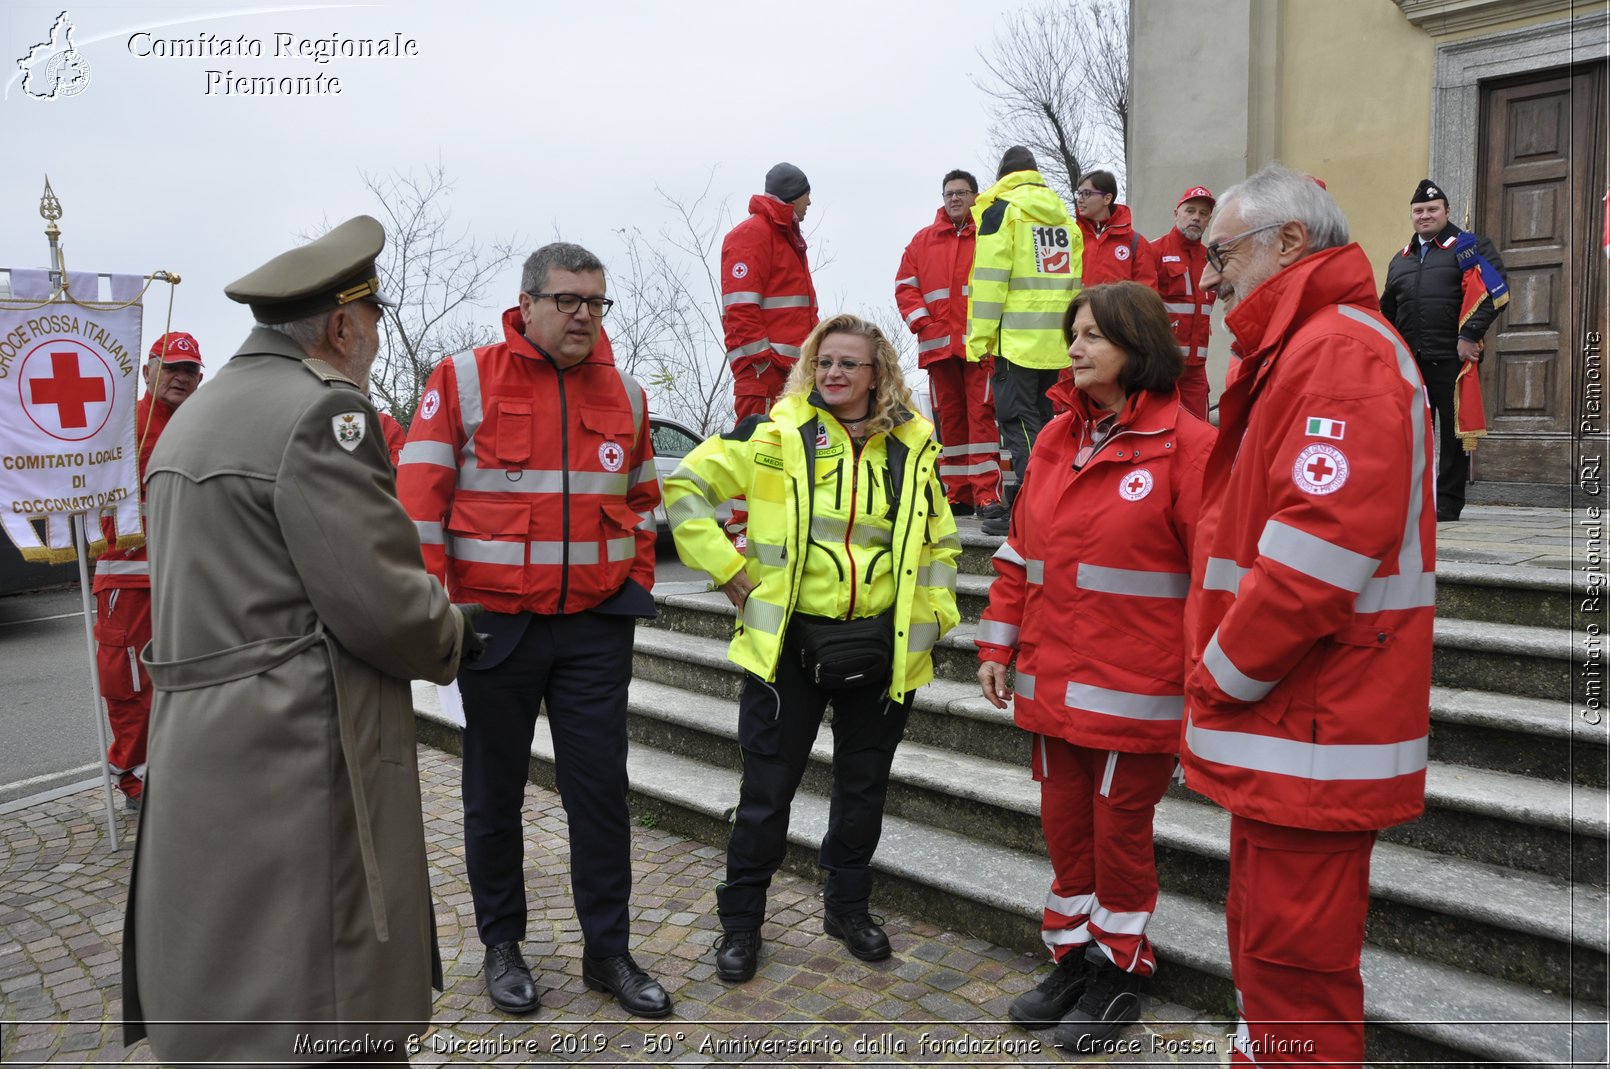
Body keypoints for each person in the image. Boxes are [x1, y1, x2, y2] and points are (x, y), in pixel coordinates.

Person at [123, 216, 476, 1066]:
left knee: (224, 971)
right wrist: (455, 631)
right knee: (325, 983)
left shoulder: (196, 416)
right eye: (374, 323)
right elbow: (384, 605)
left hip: (200, 742)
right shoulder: (322, 416)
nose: (375, 343)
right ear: (342, 326)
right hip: (296, 743)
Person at [1187, 165, 1436, 1064]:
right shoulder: (1308, 347)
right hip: (1294, 721)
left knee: (1295, 971)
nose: (1208, 279)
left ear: (1289, 240)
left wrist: (1219, 670)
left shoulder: (1339, 351)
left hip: (1311, 716)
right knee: (1270, 955)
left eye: (1221, 254)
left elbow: (1317, 557)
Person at [396, 242, 671, 1019]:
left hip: (592, 631)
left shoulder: (628, 393)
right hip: (495, 628)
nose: (585, 314)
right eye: (568, 300)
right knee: (493, 794)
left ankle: (608, 952)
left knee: (601, 795)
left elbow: (644, 502)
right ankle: (502, 944)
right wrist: (437, 617)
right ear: (527, 302)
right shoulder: (464, 378)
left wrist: (634, 584)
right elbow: (417, 506)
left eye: (596, 301)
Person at [663, 313, 961, 984]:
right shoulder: (774, 436)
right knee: (766, 796)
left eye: (849, 363)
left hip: (884, 650)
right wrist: (727, 569)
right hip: (787, 647)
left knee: (862, 793)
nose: (832, 373)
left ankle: (847, 907)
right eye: (824, 361)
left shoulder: (913, 449)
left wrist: (934, 616)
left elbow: (941, 543)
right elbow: (683, 485)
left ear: (877, 373)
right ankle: (740, 924)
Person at [977, 283, 1214, 1049]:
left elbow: (1211, 581)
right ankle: (1075, 956)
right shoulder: (1053, 440)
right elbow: (1020, 554)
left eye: (1091, 336)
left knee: (1119, 836)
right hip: (1050, 681)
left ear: (1136, 346)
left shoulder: (1189, 446)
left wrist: (1204, 691)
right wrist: (995, 643)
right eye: (1072, 334)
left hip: (1136, 692)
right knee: (1066, 830)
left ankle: (1121, 971)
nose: (1073, 348)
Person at [91, 330, 204, 814]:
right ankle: (135, 777)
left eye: (190, 369)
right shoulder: (120, 425)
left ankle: (179, 769)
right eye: (172, 367)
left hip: (189, 581)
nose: (181, 377)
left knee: (192, 677)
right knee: (132, 684)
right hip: (131, 580)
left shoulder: (200, 427)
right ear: (148, 371)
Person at [967, 146, 1082, 537]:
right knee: (1047, 422)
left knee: (1019, 423)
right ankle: (1050, 498)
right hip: (1056, 342)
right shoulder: (1065, 219)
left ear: (1002, 177)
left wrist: (978, 339)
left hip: (1015, 341)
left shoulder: (1002, 212)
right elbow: (1073, 284)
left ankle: (1036, 507)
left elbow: (989, 282)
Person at [1379, 178, 1508, 522]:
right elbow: (1386, 312)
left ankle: (1448, 503)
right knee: (1411, 433)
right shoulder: (1400, 260)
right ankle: (1414, 499)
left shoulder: (1470, 246)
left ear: (1446, 211)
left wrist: (1469, 335)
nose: (1425, 216)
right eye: (1418, 210)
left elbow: (1497, 292)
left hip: (1451, 359)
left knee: (1453, 438)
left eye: (1432, 209)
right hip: (1411, 363)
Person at [894, 168, 1004, 521]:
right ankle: (958, 495)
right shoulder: (922, 241)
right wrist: (923, 323)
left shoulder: (990, 236)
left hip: (979, 347)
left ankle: (988, 495)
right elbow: (905, 287)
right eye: (948, 194)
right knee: (950, 421)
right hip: (939, 349)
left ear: (975, 196)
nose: (954, 198)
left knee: (982, 420)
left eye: (961, 192)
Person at [721, 162, 820, 545]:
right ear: (794, 194)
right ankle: (742, 535)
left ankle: (774, 532)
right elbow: (740, 307)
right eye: (807, 194)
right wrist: (759, 361)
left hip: (789, 371)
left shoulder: (784, 236)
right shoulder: (753, 235)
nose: (810, 203)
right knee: (752, 448)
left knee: (780, 451)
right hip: (764, 371)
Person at [1153, 186, 1217, 419]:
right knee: (1158, 429)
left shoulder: (1212, 259)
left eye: (1203, 213)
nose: (1196, 217)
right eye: (1190, 211)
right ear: (1176, 213)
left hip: (1196, 369)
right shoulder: (1153, 252)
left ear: (1209, 220)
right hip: (1162, 364)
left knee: (1199, 433)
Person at [1073, 170, 1159, 291]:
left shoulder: (1135, 242)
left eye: (1086, 193)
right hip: (1080, 309)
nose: (1080, 200)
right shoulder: (1072, 236)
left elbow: (1146, 292)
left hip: (1119, 310)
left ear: (1107, 199)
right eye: (1079, 193)